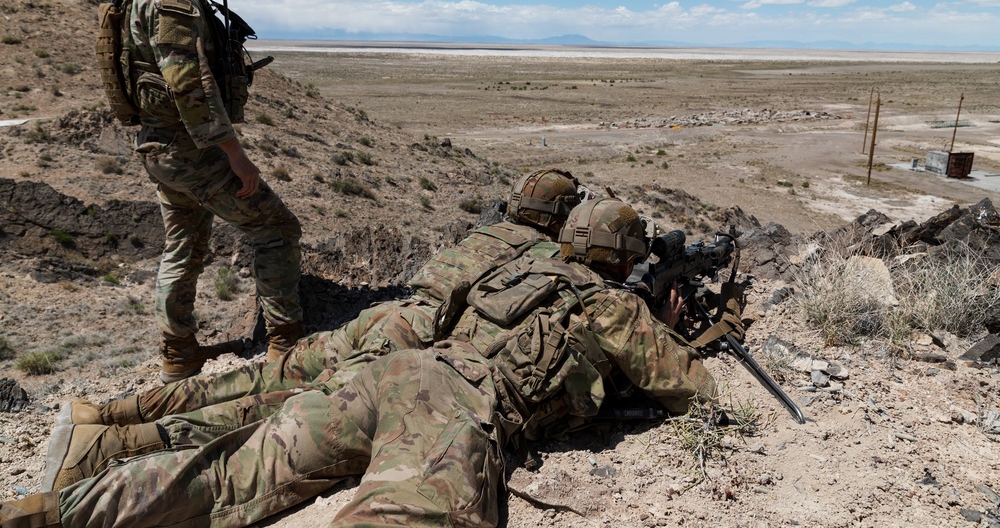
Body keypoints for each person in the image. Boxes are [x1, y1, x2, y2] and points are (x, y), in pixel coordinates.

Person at [1, 198, 717, 527]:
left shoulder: (512, 274)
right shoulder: (613, 307)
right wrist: (669, 327)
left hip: (387, 372)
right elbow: (693, 389)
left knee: (225, 473)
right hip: (448, 402)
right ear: (624, 260)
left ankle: (48, 513)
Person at [53, 168, 581, 429]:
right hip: (416, 333)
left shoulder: (482, 236)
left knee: (268, 376)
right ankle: (130, 444)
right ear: (559, 216)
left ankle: (116, 412)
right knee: (294, 409)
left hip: (384, 315)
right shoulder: (543, 255)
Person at [117, 0, 303, 382]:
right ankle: (287, 345)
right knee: (276, 228)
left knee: (185, 243)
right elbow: (190, 88)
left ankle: (178, 353)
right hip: (191, 149)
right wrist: (236, 157)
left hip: (159, 148)